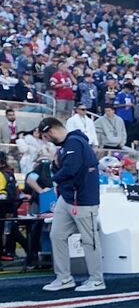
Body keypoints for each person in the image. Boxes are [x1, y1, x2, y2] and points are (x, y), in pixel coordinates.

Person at [37, 117, 105, 293]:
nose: (47, 140)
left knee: (89, 240)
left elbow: (70, 169)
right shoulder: (68, 145)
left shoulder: (74, 143)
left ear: (51, 131)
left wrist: (52, 178)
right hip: (68, 197)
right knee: (57, 235)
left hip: (82, 199)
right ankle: (64, 278)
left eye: (46, 136)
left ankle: (97, 279)